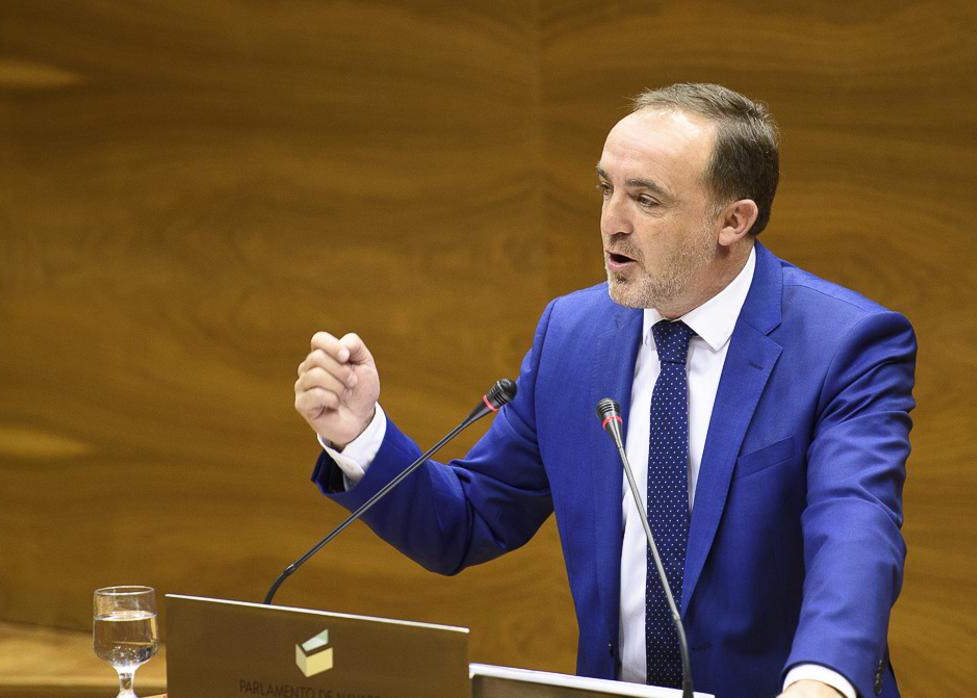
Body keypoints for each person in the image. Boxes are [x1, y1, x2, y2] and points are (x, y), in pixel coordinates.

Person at [293, 83, 915, 698]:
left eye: (646, 200)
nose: (611, 222)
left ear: (732, 221)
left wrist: (821, 683)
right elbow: (471, 517)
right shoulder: (572, 335)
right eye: (605, 188)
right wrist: (360, 434)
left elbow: (856, 531)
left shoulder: (844, 345)